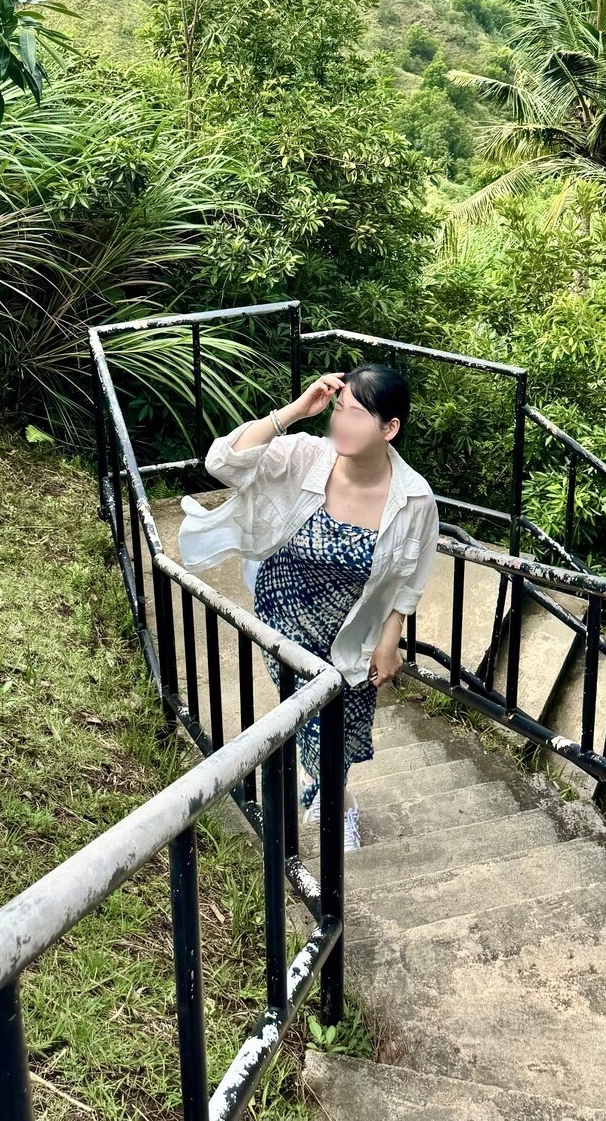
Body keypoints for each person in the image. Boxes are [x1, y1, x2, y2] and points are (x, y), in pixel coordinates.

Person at [176, 363, 440, 850]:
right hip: (285, 613)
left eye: (356, 414)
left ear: (390, 428)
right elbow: (223, 463)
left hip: (353, 631)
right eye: (339, 410)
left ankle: (328, 793)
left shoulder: (415, 500)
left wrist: (390, 639)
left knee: (347, 720)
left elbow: (411, 575)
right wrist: (294, 412)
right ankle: (336, 808)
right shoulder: (304, 456)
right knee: (318, 724)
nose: (341, 422)